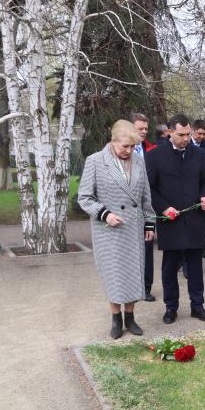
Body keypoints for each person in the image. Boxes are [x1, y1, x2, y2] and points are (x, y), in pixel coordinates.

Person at [77, 120, 156, 339]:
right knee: (114, 275)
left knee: (133, 273)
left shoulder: (138, 161)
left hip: (133, 227)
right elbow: (84, 198)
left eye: (132, 147)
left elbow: (145, 196)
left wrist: (150, 223)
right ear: (113, 141)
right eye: (125, 146)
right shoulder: (95, 161)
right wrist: (105, 214)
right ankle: (115, 319)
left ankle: (130, 317)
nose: (129, 151)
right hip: (108, 230)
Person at [145, 113, 205, 324]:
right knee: (170, 266)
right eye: (181, 135)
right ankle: (171, 307)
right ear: (169, 132)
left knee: (195, 265)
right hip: (170, 220)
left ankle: (197, 305)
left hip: (194, 218)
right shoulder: (155, 155)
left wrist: (204, 196)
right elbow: (149, 188)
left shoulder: (199, 154)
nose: (186, 139)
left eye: (188, 134)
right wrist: (164, 208)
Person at [130, 113, 159, 302]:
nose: (144, 132)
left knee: (147, 247)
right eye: (139, 128)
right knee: (129, 250)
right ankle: (131, 287)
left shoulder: (152, 151)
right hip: (126, 209)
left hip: (147, 207)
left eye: (146, 129)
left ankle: (145, 288)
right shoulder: (119, 151)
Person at [189, 118, 205, 260]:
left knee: (203, 220)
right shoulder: (185, 143)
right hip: (187, 190)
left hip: (201, 190)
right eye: (199, 133)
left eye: (204, 134)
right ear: (192, 131)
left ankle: (203, 247)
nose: (202, 137)